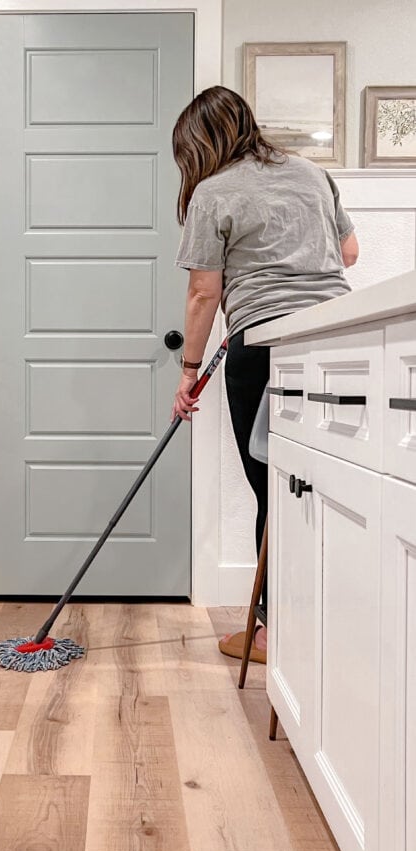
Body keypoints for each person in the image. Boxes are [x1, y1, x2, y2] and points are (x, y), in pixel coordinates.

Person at [170, 86, 359, 662]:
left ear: (202, 144)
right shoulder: (310, 173)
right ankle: (330, 625)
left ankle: (274, 633)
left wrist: (188, 373)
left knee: (274, 487)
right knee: (326, 486)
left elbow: (205, 292)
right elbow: (348, 253)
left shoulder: (212, 191)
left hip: (264, 345)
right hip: (336, 339)